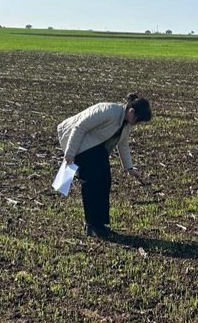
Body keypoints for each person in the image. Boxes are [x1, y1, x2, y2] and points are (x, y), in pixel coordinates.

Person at [57, 93, 152, 237]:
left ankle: (100, 224)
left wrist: (130, 168)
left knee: (105, 181)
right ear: (132, 112)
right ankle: (92, 225)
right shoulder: (109, 111)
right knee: (92, 183)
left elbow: (123, 145)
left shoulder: (125, 124)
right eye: (137, 120)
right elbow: (79, 127)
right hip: (80, 144)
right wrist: (70, 153)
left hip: (96, 148)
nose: (135, 124)